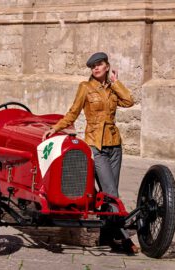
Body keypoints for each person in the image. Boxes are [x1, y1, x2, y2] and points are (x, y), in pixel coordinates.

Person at [43, 52, 138, 253]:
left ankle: (106, 236)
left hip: (114, 144)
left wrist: (116, 83)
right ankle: (124, 239)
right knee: (112, 193)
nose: (95, 68)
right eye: (93, 66)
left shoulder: (112, 89)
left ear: (106, 67)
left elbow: (129, 101)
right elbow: (73, 112)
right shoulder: (85, 88)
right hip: (96, 145)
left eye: (99, 64)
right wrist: (56, 128)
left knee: (107, 194)